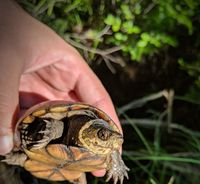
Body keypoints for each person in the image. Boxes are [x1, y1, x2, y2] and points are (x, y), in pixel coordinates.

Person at [0, 1, 121, 163]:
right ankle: (21, 152)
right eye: (103, 135)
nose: (109, 143)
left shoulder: (104, 147)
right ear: (90, 127)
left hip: (61, 165)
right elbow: (61, 125)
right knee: (44, 133)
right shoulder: (73, 121)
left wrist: (116, 164)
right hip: (44, 137)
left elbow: (112, 150)